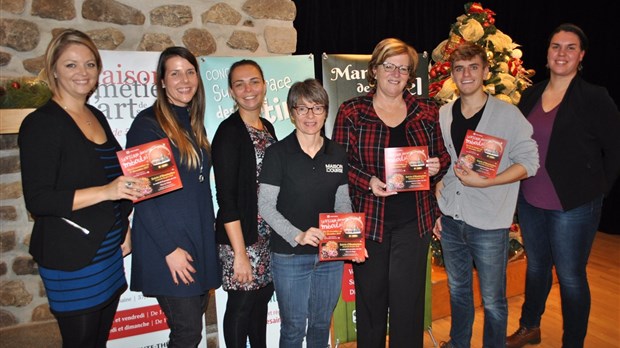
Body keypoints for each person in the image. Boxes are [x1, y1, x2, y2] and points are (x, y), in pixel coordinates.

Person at [18, 29, 139, 348]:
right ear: (53, 69)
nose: (82, 72)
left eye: (89, 64)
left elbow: (116, 174)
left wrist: (124, 223)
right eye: (71, 65)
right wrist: (107, 192)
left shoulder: (95, 115)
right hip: (72, 259)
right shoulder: (41, 123)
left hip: (108, 254)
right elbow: (39, 199)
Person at [506, 24, 620, 348]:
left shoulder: (594, 97)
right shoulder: (530, 94)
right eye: (556, 46)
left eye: (571, 48)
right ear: (547, 53)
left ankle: (573, 342)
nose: (562, 53)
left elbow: (614, 147)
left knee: (570, 278)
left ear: (581, 56)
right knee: (537, 268)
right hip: (530, 199)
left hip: (574, 205)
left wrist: (600, 189)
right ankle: (530, 327)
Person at [332, 38, 450, 348]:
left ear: (410, 75)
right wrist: (367, 181)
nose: (396, 73)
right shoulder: (352, 111)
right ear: (374, 69)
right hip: (368, 223)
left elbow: (443, 156)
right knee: (370, 303)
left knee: (408, 305)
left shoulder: (427, 110)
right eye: (389, 66)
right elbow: (337, 164)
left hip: (415, 222)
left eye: (404, 68)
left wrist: (438, 164)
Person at [433, 42, 539, 348]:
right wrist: (440, 183)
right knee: (458, 291)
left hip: (491, 222)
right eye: (459, 69)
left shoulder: (508, 115)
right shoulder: (444, 114)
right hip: (452, 219)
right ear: (453, 74)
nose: (466, 74)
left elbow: (529, 163)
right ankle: (459, 343)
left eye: (473, 67)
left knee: (493, 300)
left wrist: (487, 183)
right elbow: (447, 160)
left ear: (485, 71)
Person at [126, 46, 221, 348]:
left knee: (191, 329)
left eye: (190, 72)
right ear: (162, 81)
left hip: (195, 241)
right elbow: (143, 197)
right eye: (175, 73)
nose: (185, 79)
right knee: (188, 333)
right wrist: (170, 250)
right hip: (168, 247)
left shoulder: (192, 122)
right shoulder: (148, 125)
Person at [258, 78, 360, 348]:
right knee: (293, 328)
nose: (310, 115)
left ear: (326, 111)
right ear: (292, 114)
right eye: (302, 109)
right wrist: (298, 235)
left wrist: (349, 240)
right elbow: (265, 205)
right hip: (290, 256)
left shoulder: (337, 153)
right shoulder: (277, 154)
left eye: (316, 108)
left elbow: (342, 204)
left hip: (329, 257)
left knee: (320, 324)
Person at [211, 59, 276, 348]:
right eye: (240, 84)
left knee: (259, 301)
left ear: (264, 85)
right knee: (240, 306)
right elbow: (225, 198)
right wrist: (240, 253)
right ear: (231, 91)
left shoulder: (268, 126)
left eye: (254, 82)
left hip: (266, 236)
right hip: (242, 236)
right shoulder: (229, 132)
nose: (248, 89)